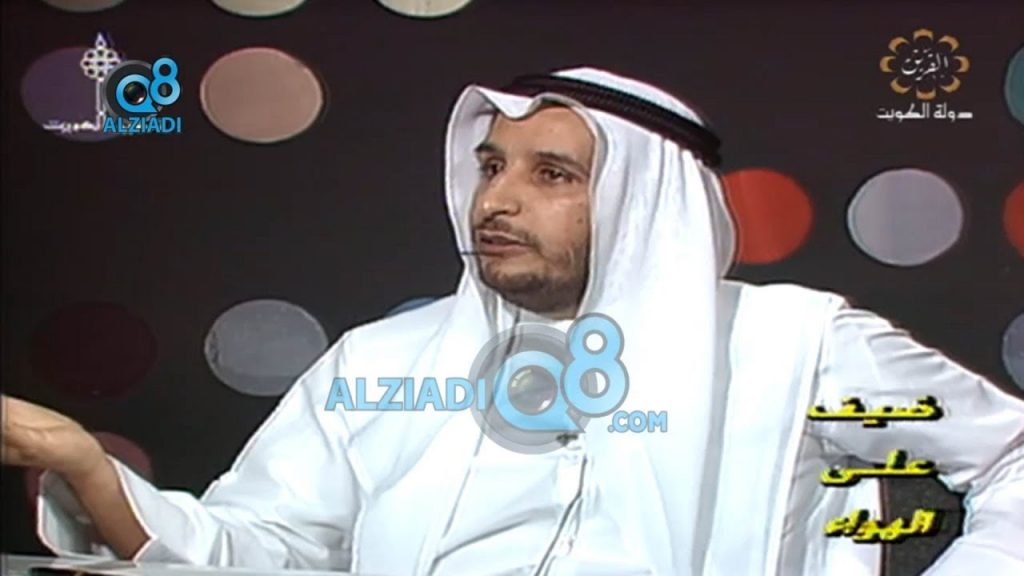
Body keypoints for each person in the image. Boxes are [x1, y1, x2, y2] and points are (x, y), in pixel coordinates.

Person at [3, 67, 1023, 576]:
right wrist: (84, 463)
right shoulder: (384, 361)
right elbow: (259, 549)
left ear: (642, 201)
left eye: (552, 175)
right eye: (490, 166)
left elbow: (1010, 457)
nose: (495, 200)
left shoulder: (794, 347)